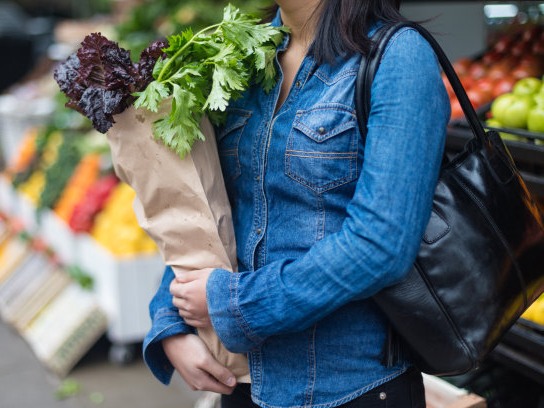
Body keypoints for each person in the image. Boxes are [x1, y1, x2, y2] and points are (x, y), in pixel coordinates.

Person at [143, 0, 450, 407]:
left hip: (350, 389)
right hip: (242, 383)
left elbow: (381, 245)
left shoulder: (398, 57)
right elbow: (206, 206)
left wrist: (233, 305)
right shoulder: (241, 53)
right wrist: (171, 321)